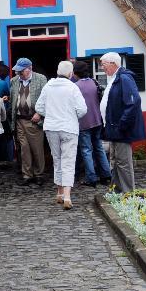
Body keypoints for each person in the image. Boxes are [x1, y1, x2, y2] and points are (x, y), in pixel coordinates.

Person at [35, 61, 87, 209]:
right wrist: (72, 115)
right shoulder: (73, 87)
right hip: (69, 127)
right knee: (68, 162)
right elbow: (82, 110)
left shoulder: (48, 86)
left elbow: (39, 107)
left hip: (51, 127)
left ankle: (59, 193)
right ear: (71, 74)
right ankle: (67, 197)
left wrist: (50, 114)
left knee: (57, 159)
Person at [99, 52, 146, 193]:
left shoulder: (124, 78)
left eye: (103, 64)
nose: (102, 68)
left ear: (113, 63)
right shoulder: (114, 78)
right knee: (115, 161)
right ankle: (116, 191)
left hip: (120, 129)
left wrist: (122, 125)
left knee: (123, 162)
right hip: (113, 129)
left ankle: (127, 194)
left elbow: (134, 102)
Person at [73, 60, 112, 188]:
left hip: (83, 122)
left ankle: (91, 177)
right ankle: (106, 175)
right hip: (97, 120)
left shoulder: (75, 86)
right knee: (98, 147)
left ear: (75, 73)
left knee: (86, 150)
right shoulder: (94, 82)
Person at [9, 58, 47, 185]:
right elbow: (13, 99)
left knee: (37, 148)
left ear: (29, 68)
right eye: (17, 70)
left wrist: (40, 113)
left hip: (34, 120)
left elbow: (46, 99)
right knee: (24, 148)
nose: (18, 73)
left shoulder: (41, 79)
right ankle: (27, 175)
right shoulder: (14, 81)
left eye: (21, 71)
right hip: (20, 120)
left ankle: (39, 174)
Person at [0, 64, 15, 161]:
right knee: (8, 136)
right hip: (0, 115)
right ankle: (9, 158)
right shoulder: (3, 83)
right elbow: (9, 97)